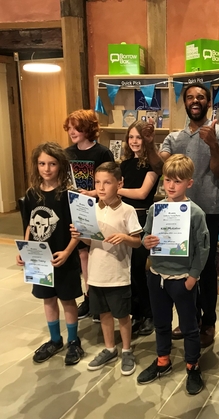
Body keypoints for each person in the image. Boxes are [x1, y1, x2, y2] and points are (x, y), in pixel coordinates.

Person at [145, 82, 219, 347]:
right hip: (176, 214)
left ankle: (208, 322)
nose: (195, 101)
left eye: (201, 97)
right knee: (185, 270)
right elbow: (159, 166)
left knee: (205, 271)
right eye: (190, 97)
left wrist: (213, 144)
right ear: (184, 103)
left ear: (208, 102)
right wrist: (150, 145)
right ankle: (189, 320)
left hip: (208, 210)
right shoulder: (174, 138)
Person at [137, 155, 210, 395]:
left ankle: (192, 365)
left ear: (189, 183)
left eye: (177, 181)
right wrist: (145, 241)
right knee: (161, 323)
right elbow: (145, 236)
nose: (171, 186)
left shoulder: (196, 213)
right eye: (168, 180)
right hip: (157, 276)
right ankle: (162, 361)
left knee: (189, 327)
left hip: (182, 280)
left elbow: (203, 248)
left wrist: (193, 277)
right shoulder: (155, 209)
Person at [71, 162, 142, 376]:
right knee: (103, 313)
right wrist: (78, 235)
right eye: (98, 183)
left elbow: (138, 241)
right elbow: (89, 240)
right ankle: (110, 347)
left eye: (107, 182)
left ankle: (127, 349)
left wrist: (125, 237)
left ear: (119, 183)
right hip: (96, 273)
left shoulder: (127, 211)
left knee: (122, 315)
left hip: (117, 274)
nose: (101, 188)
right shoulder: (91, 209)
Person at [16, 142, 83, 365]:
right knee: (48, 299)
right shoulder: (32, 194)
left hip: (63, 257)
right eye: (42, 163)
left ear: (61, 166)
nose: (47, 168)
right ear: (36, 166)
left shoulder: (68, 195)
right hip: (40, 260)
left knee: (67, 299)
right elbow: (29, 225)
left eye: (52, 164)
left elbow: (78, 231)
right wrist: (25, 250)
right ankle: (55, 340)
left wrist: (67, 252)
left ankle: (74, 341)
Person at [64, 109, 114, 320]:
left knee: (97, 253)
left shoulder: (102, 152)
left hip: (97, 209)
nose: (72, 132)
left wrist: (93, 192)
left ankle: (100, 299)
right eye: (70, 128)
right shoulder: (67, 153)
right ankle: (88, 296)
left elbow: (111, 181)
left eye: (77, 127)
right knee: (82, 254)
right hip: (75, 209)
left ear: (88, 128)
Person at [119, 120, 160, 336]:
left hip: (143, 218)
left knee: (139, 268)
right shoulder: (124, 165)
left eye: (139, 137)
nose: (135, 141)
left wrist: (118, 190)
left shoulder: (152, 165)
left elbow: (142, 193)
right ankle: (136, 313)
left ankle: (149, 313)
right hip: (125, 219)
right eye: (131, 137)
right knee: (128, 270)